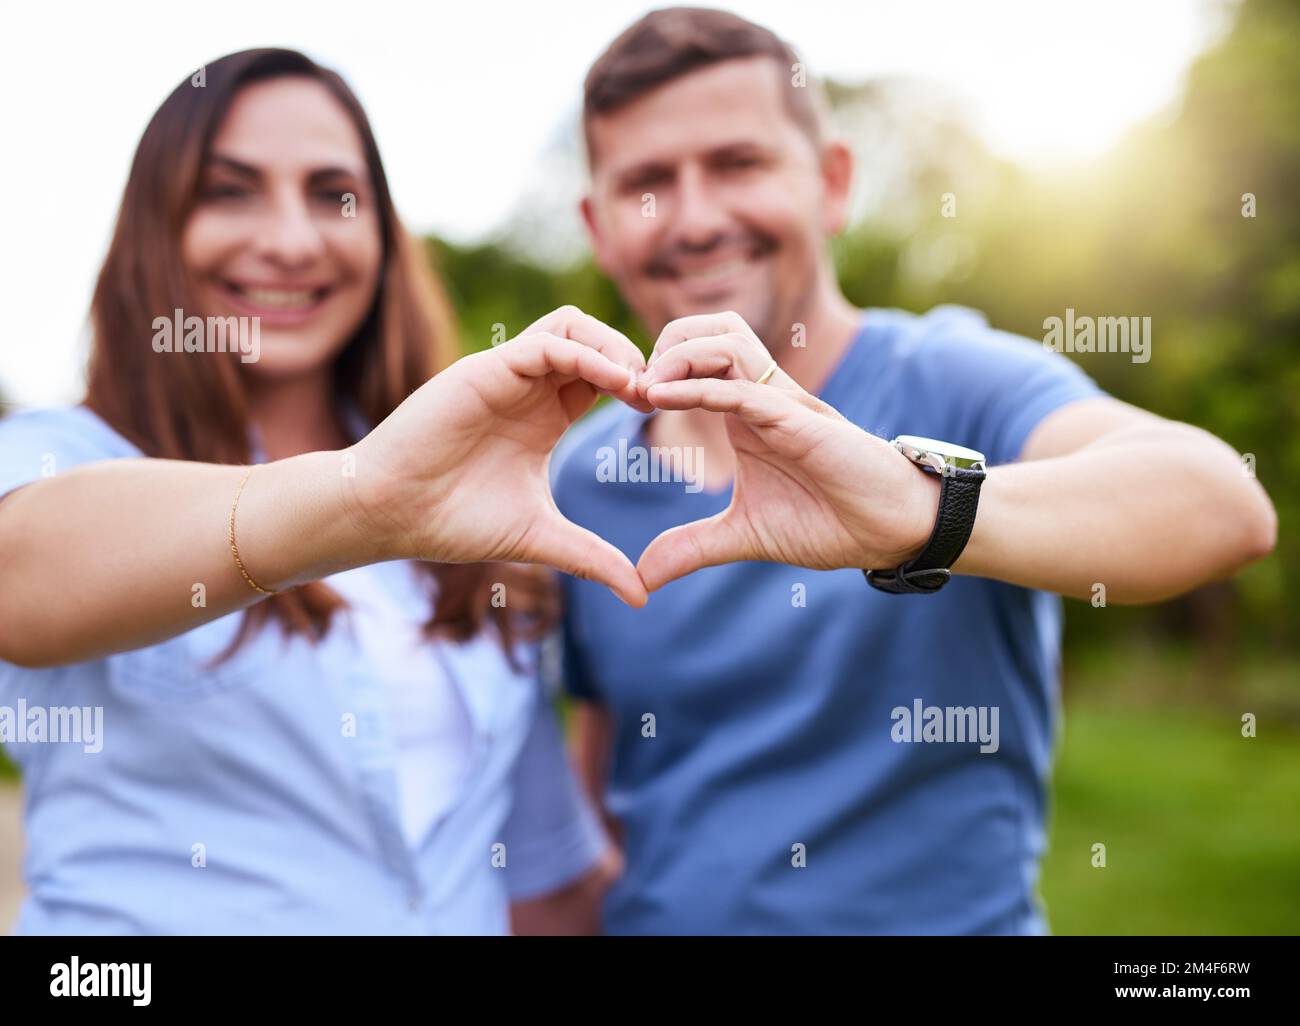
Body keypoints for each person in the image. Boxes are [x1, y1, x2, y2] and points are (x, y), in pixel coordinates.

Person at [551, 8, 1278, 933]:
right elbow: (607, 771)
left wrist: (913, 506)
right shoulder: (579, 480)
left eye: (738, 164)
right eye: (648, 183)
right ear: (598, 224)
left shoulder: (955, 382)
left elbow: (1222, 505)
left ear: (832, 182)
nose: (695, 219)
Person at [0, 48, 651, 935]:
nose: (291, 239)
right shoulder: (59, 454)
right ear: (158, 229)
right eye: (230, 191)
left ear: (382, 233)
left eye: (331, 194)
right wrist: (364, 500)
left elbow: (542, 881)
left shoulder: (483, 498)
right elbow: (19, 574)